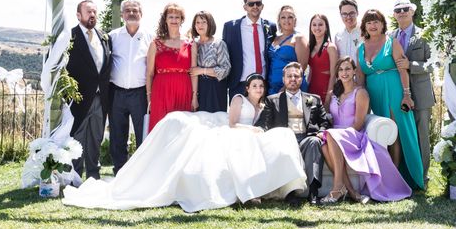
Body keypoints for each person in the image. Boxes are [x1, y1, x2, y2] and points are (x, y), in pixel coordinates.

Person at [62, 73, 307, 213]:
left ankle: (263, 188)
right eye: (254, 85)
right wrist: (249, 129)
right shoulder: (239, 100)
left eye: (260, 86)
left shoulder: (265, 106)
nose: (258, 88)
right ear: (247, 88)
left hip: (250, 134)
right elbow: (232, 124)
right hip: (233, 128)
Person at [320, 57, 412, 204]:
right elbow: (324, 116)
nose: (344, 73)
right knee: (324, 145)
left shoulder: (360, 93)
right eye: (341, 69)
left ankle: (337, 187)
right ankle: (351, 192)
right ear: (337, 73)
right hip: (333, 136)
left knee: (331, 135)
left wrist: (339, 135)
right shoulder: (332, 93)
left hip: (354, 134)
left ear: (354, 71)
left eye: (348, 69)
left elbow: (359, 123)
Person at [357, 9, 425, 190]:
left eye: (376, 21)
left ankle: (398, 177)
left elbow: (403, 69)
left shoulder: (392, 43)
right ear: (364, 26)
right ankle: (384, 173)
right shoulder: (361, 47)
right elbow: (361, 77)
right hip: (374, 93)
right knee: (382, 133)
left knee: (397, 132)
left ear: (382, 24)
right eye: (369, 22)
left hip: (394, 90)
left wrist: (406, 95)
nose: (373, 25)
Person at [256, 62, 330, 204]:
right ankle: (291, 194)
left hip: (306, 139)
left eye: (296, 76)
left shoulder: (314, 99)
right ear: (283, 79)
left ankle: (313, 193)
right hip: (285, 140)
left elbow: (325, 122)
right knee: (286, 146)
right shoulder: (272, 100)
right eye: (289, 76)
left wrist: (321, 133)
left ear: (302, 79)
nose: (293, 79)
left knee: (314, 142)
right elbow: (263, 124)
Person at [390, 0, 435, 186]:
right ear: (394, 14)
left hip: (421, 94)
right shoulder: (390, 37)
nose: (402, 12)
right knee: (401, 135)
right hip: (398, 94)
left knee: (421, 135)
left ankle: (422, 178)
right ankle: (405, 175)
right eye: (398, 10)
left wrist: (411, 65)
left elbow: (435, 63)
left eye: (405, 9)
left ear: (413, 11)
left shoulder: (425, 35)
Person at [66, 0, 112, 180]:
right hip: (79, 98)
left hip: (101, 98)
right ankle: (75, 176)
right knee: (77, 138)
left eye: (94, 11)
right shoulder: (70, 36)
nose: (92, 15)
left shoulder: (104, 37)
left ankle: (93, 175)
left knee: (96, 138)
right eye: (88, 12)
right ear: (79, 15)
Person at [108, 0, 152, 175]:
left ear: (141, 14)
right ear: (122, 14)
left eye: (135, 10)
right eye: (128, 10)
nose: (132, 13)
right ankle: (120, 171)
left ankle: (141, 172)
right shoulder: (112, 37)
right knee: (118, 135)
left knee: (143, 134)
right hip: (116, 92)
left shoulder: (151, 37)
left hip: (140, 93)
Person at [146, 3, 198, 131]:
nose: (174, 20)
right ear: (165, 20)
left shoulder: (191, 44)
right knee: (160, 130)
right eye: (171, 17)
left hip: (184, 90)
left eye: (177, 17)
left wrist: (194, 97)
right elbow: (150, 73)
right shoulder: (155, 43)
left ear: (181, 20)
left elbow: (194, 72)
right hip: (161, 92)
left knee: (181, 132)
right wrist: (149, 98)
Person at [222, 0, 277, 100]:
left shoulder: (270, 26)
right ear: (245, 7)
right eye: (251, 4)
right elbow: (225, 55)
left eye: (258, 3)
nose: (255, 6)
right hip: (239, 84)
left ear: (262, 6)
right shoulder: (231, 27)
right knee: (239, 117)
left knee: (263, 116)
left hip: (263, 84)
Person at [189, 11, 231, 112]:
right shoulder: (193, 44)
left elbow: (225, 69)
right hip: (196, 88)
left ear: (210, 24)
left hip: (214, 89)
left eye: (204, 22)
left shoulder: (218, 43)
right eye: (197, 22)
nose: (200, 25)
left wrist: (202, 71)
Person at [267, 5, 308, 94]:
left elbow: (302, 66)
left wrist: (286, 87)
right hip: (272, 87)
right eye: (283, 17)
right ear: (279, 21)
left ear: (295, 20)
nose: (286, 20)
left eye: (290, 17)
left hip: (291, 87)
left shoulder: (299, 38)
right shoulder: (275, 38)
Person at [307, 13, 337, 107]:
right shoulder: (309, 47)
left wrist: (328, 99)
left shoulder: (330, 47)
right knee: (310, 115)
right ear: (311, 28)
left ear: (326, 27)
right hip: (311, 89)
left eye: (320, 24)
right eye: (314, 25)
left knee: (325, 118)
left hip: (325, 89)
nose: (317, 27)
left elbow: (333, 75)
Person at [334, 0, 362, 64]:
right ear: (340, 15)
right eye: (344, 14)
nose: (348, 17)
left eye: (351, 13)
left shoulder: (365, 32)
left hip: (362, 73)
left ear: (357, 13)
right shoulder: (338, 36)